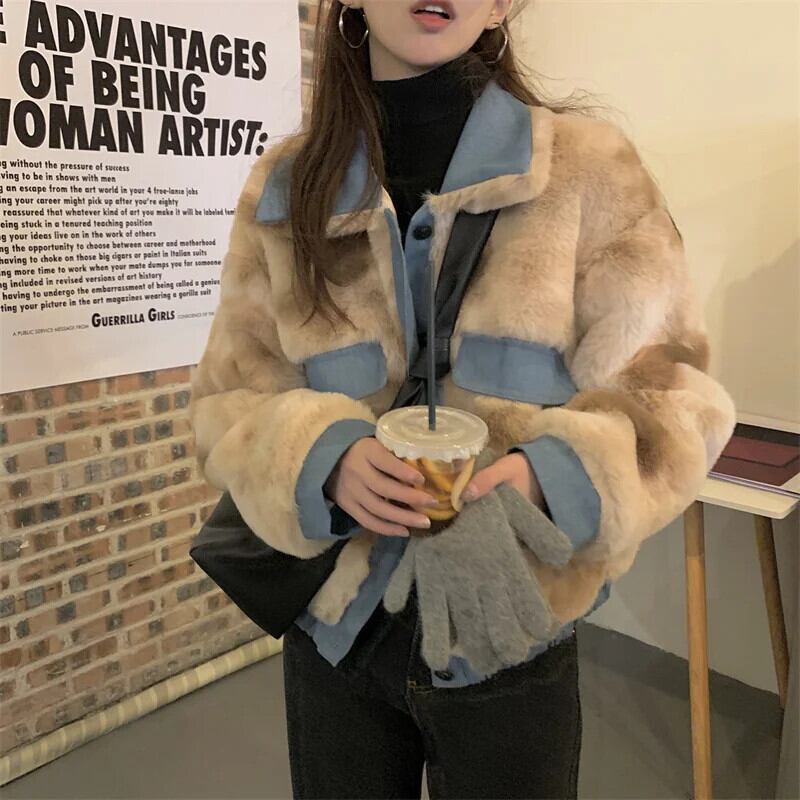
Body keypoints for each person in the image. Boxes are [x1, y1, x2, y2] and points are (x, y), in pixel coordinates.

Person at [188, 0, 736, 797]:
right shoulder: (287, 186)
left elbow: (675, 392)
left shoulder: (589, 169)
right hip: (336, 635)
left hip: (509, 630)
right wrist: (323, 457)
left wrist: (549, 476)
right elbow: (228, 395)